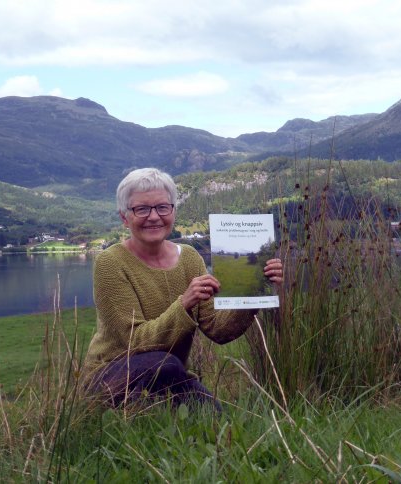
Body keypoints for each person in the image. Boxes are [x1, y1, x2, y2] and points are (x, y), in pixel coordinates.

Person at [85, 168, 283, 411]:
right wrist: (184, 304)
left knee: (213, 415)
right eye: (142, 209)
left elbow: (219, 330)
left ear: (173, 212)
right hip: (110, 376)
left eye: (162, 207)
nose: (154, 216)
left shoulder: (190, 258)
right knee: (164, 365)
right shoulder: (110, 263)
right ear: (124, 217)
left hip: (170, 375)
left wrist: (256, 290)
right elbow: (133, 343)